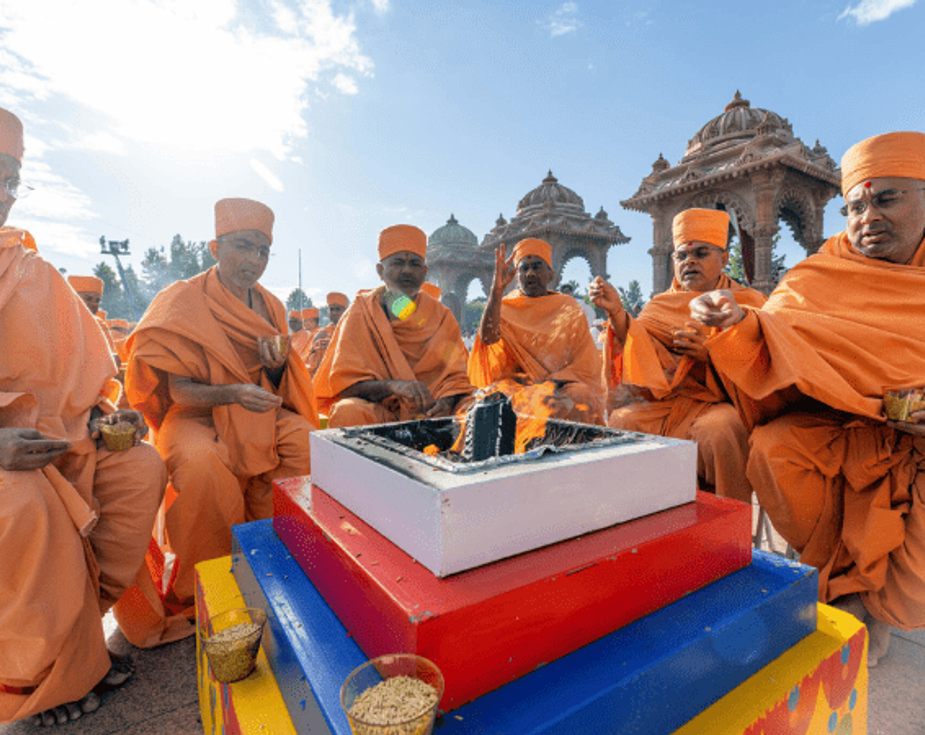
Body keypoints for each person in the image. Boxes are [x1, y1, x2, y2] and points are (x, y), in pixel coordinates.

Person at [689, 131, 925, 667]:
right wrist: (736, 320)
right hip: (842, 425)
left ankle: (880, 607)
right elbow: (778, 326)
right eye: (854, 206)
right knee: (773, 448)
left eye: (886, 199)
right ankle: (845, 589)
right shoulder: (822, 272)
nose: (867, 218)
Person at [0, 101, 167, 726]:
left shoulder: (31, 271)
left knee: (142, 469)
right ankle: (34, 684)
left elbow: (87, 379)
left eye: (10, 178)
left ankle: (79, 640)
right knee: (19, 504)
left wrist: (103, 416)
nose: (0, 194)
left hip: (54, 443)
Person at [118, 197, 318, 647]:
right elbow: (178, 390)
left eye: (263, 251)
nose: (254, 261)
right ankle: (204, 588)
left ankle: (278, 565)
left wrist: (275, 368)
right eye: (243, 247)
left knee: (307, 443)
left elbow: (278, 378)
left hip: (256, 408)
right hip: (196, 413)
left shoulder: (271, 307)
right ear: (214, 247)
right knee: (201, 463)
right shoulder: (181, 301)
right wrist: (231, 394)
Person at [588, 209, 766, 502]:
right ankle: (636, 514)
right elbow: (638, 347)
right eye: (682, 256)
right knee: (623, 421)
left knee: (721, 431)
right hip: (666, 404)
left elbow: (763, 365)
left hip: (718, 404)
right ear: (673, 262)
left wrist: (711, 357)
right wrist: (617, 313)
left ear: (724, 259)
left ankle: (727, 529)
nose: (690, 261)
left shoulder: (750, 303)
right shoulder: (660, 305)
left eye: (701, 253)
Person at [313, 224, 473, 426]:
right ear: (380, 271)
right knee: (348, 411)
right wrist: (393, 387)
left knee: (477, 408)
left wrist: (447, 401)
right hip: (382, 412)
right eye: (398, 262)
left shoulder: (441, 316)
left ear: (424, 272)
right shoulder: (360, 312)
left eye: (415, 263)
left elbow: (457, 376)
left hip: (435, 411)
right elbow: (344, 385)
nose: (407, 270)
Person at [470, 238, 605, 424]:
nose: (530, 273)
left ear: (550, 275)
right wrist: (496, 290)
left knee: (581, 395)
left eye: (536, 266)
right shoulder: (505, 306)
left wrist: (551, 384)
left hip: (560, 385)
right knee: (494, 398)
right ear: (516, 277)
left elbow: (584, 362)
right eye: (523, 268)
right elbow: (487, 338)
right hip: (517, 386)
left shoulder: (568, 307)